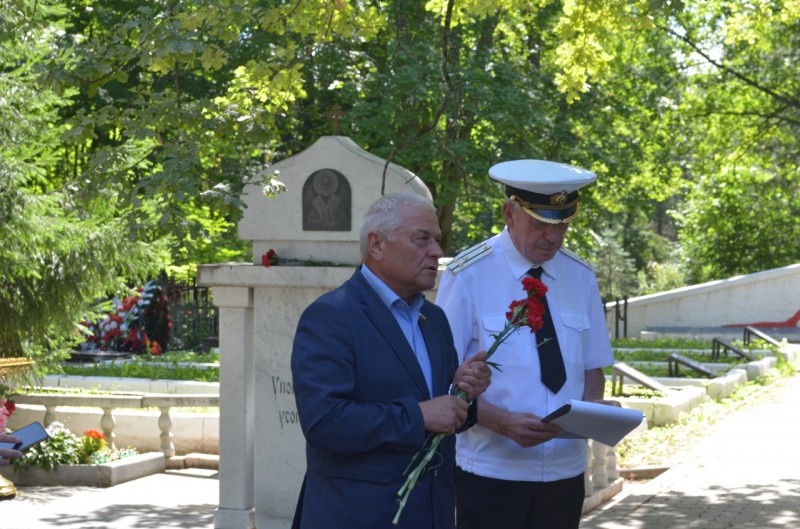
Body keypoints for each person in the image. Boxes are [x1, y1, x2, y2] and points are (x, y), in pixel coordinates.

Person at [290, 192, 492, 529]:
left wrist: (462, 395)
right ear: (377, 245)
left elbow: (445, 418)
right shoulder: (331, 315)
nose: (437, 252)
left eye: (437, 241)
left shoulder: (435, 319)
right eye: (422, 239)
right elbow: (324, 423)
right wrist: (419, 415)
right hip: (359, 516)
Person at [436, 159, 617, 529]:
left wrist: (596, 412)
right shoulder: (468, 275)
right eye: (541, 223)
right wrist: (500, 422)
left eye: (563, 224)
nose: (554, 236)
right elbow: (444, 378)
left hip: (565, 474)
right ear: (509, 213)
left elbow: (592, 368)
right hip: (490, 473)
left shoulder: (580, 276)